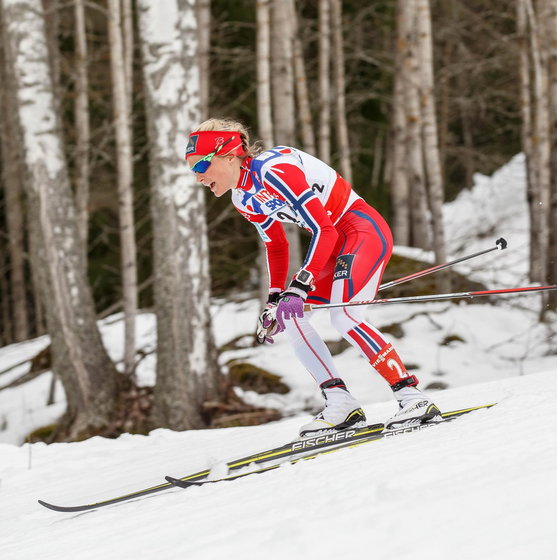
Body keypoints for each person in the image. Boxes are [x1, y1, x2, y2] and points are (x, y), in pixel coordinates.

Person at [185, 118, 442, 438]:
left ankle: (411, 396)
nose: (197, 176)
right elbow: (276, 245)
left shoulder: (274, 170)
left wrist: (301, 285)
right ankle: (340, 402)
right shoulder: (243, 197)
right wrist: (275, 298)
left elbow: (325, 228)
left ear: (228, 155)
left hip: (359, 230)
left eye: (202, 164)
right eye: (192, 168)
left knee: (345, 316)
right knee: (289, 315)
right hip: (331, 244)